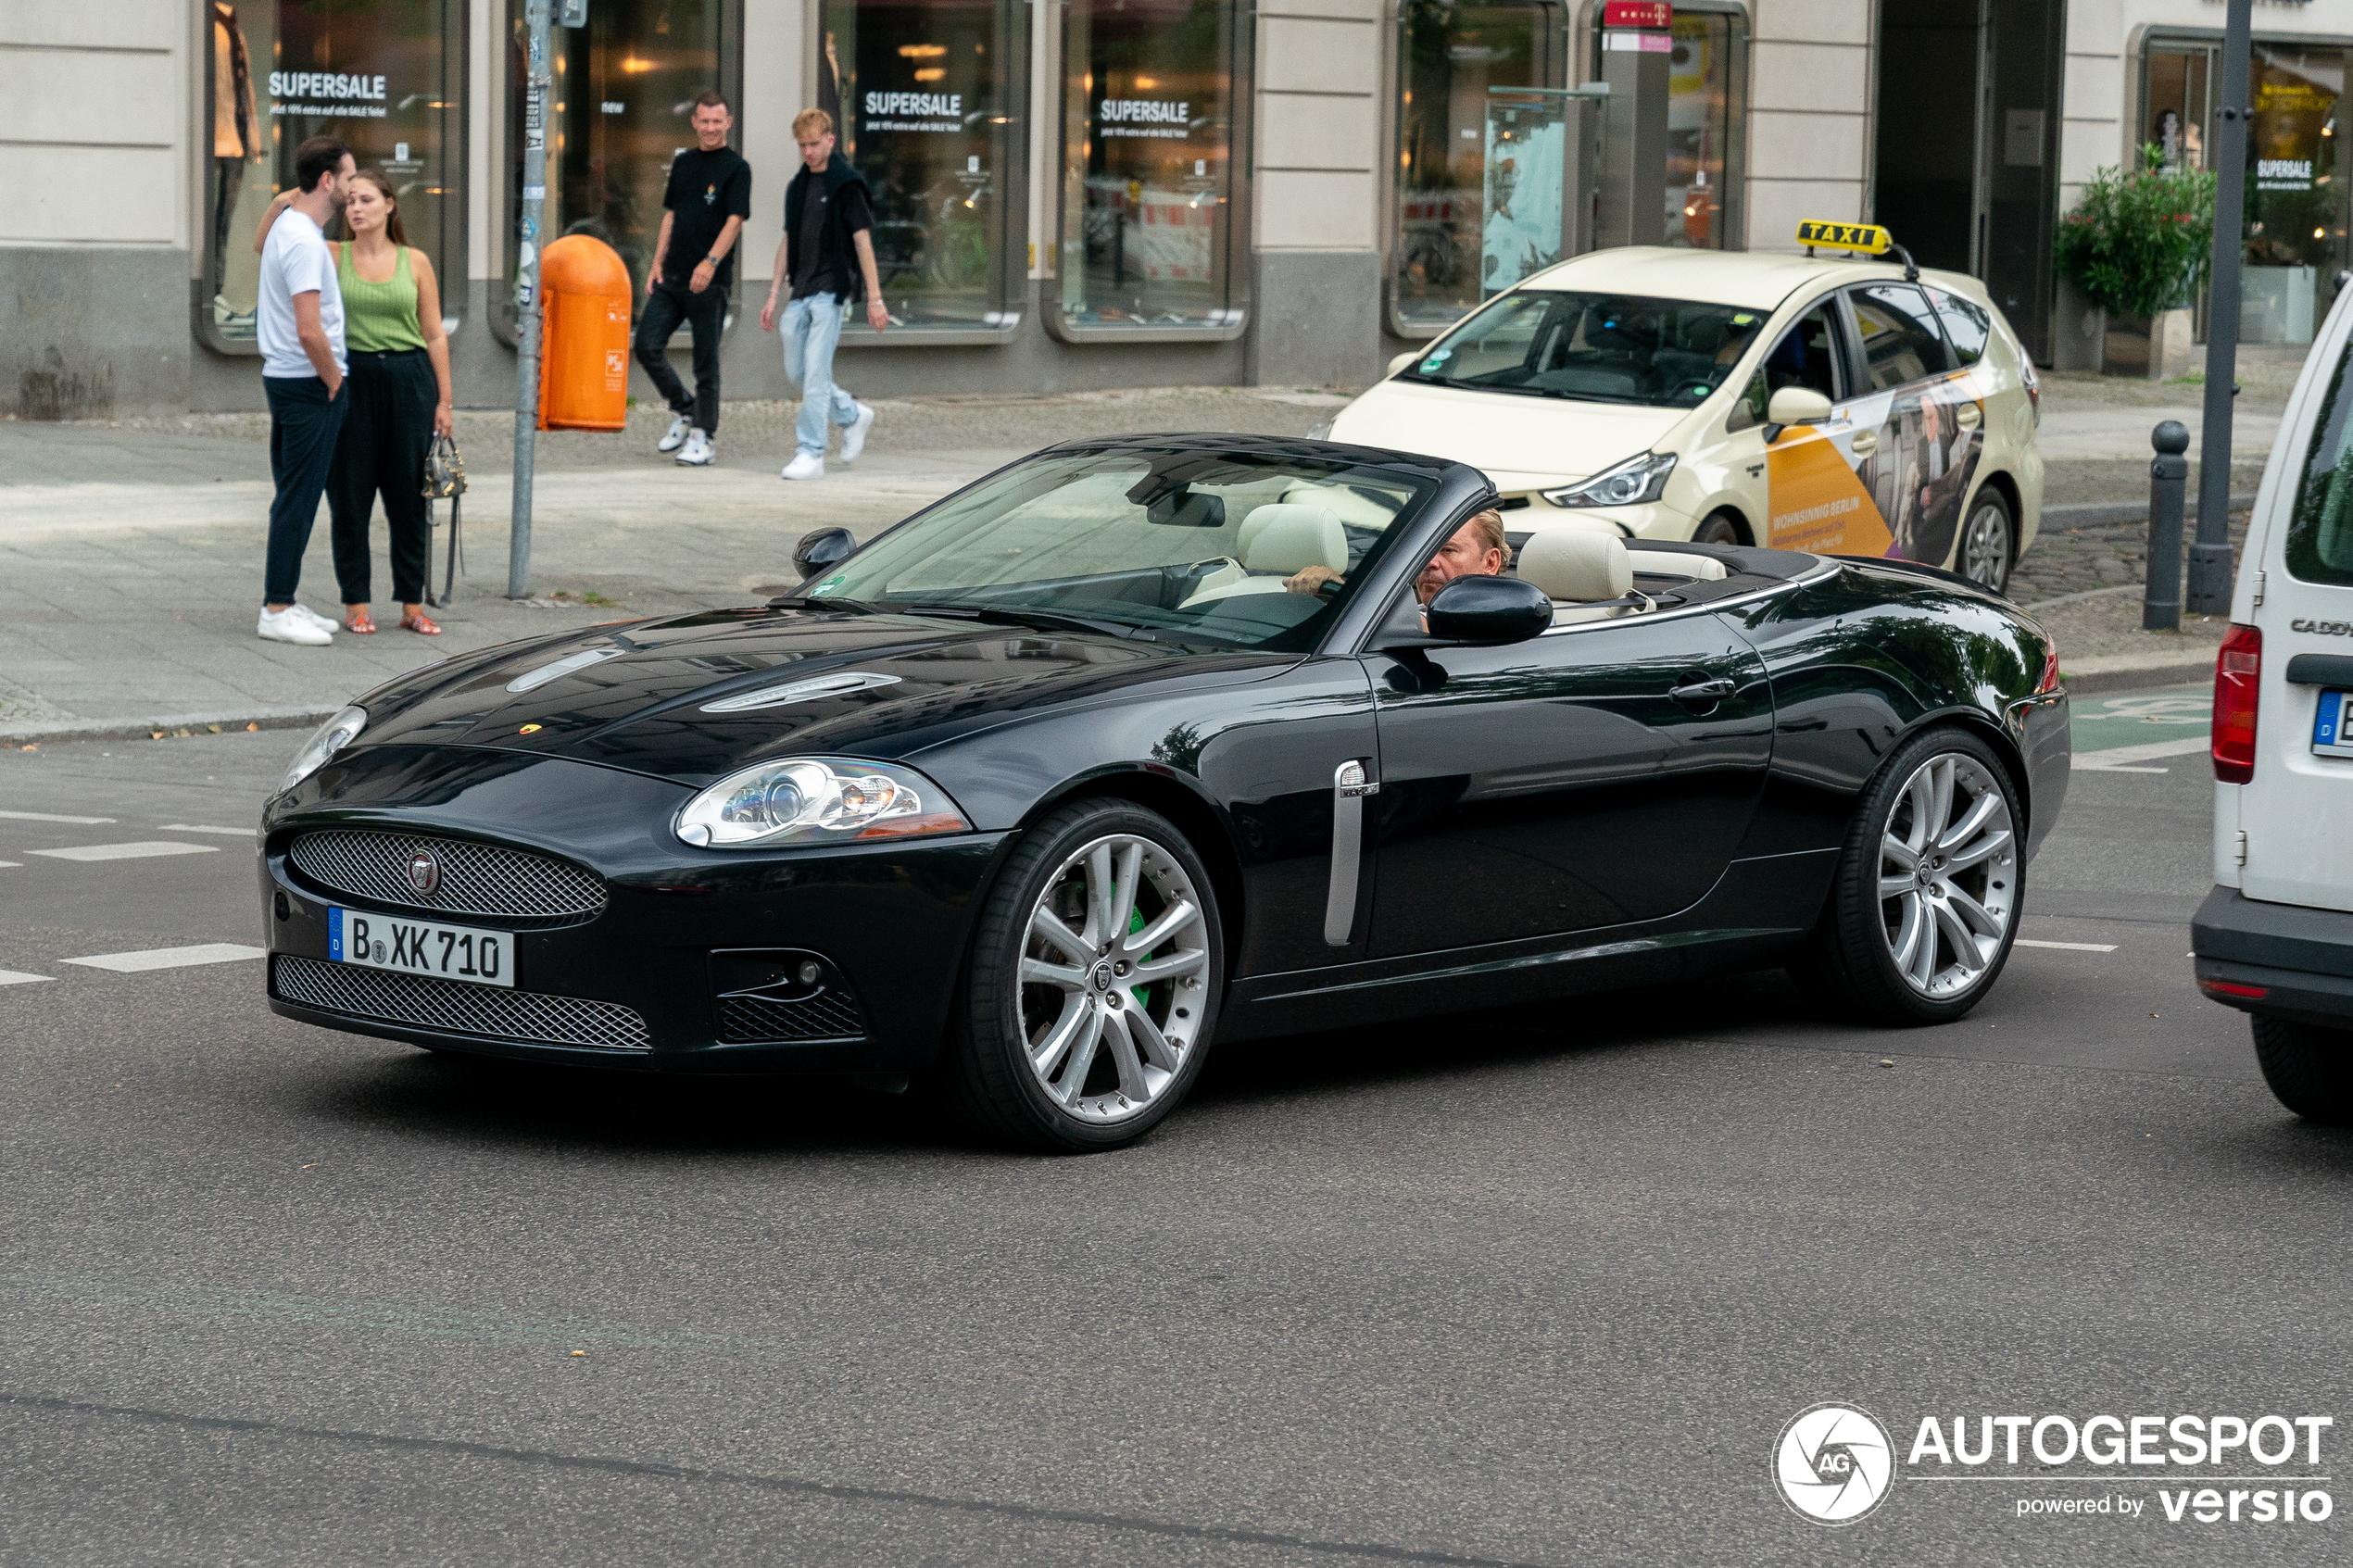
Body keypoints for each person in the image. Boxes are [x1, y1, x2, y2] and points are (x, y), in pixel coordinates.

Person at [258, 170, 456, 634]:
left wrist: (445, 400)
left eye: (367, 199)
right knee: (350, 496)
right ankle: (356, 604)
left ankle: (412, 605)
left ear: (390, 204)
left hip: (410, 380)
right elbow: (266, 246)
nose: (356, 208)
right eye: (350, 202)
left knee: (409, 497)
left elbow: (433, 335)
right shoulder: (329, 253)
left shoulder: (416, 262)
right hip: (353, 378)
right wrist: (286, 198)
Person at [255, 135, 355, 646]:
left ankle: (285, 599)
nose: (353, 186)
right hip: (308, 383)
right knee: (298, 498)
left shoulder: (288, 227)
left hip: (289, 379)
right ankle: (276, 608)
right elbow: (309, 329)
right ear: (326, 181)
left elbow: (256, 246)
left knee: (294, 494)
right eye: (348, 177)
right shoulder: (302, 240)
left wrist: (278, 202)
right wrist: (334, 378)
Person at [761, 108, 888, 482]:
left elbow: (863, 242)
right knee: (796, 371)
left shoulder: (847, 185)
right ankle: (851, 414)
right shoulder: (797, 186)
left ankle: (811, 451)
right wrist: (772, 294)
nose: (808, 152)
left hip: (831, 291)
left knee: (816, 373)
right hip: (799, 290)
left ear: (830, 140)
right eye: (802, 146)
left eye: (815, 144)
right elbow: (788, 240)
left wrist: (876, 298)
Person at [636, 92, 750, 468]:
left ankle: (704, 436)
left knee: (706, 363)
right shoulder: (683, 163)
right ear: (694, 122)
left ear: (728, 123)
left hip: (709, 282)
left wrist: (711, 262)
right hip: (672, 277)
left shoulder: (737, 168)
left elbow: (735, 220)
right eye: (704, 121)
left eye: (718, 121)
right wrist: (656, 264)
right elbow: (670, 215)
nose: (711, 128)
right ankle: (685, 410)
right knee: (646, 345)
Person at [1283, 509, 1508, 603]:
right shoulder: (1416, 613)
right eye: (1424, 551)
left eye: (1448, 550)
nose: (1429, 562)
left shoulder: (1506, 620)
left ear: (1490, 562)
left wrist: (1344, 598)